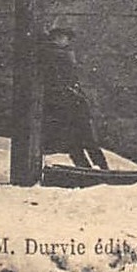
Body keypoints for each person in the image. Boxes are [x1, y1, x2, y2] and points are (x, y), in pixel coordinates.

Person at [41, 26, 109, 170]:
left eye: (64, 37)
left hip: (70, 103)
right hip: (68, 104)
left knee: (77, 141)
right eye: (59, 37)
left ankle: (90, 168)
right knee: (84, 140)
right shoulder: (58, 55)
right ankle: (97, 169)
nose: (63, 40)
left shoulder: (63, 55)